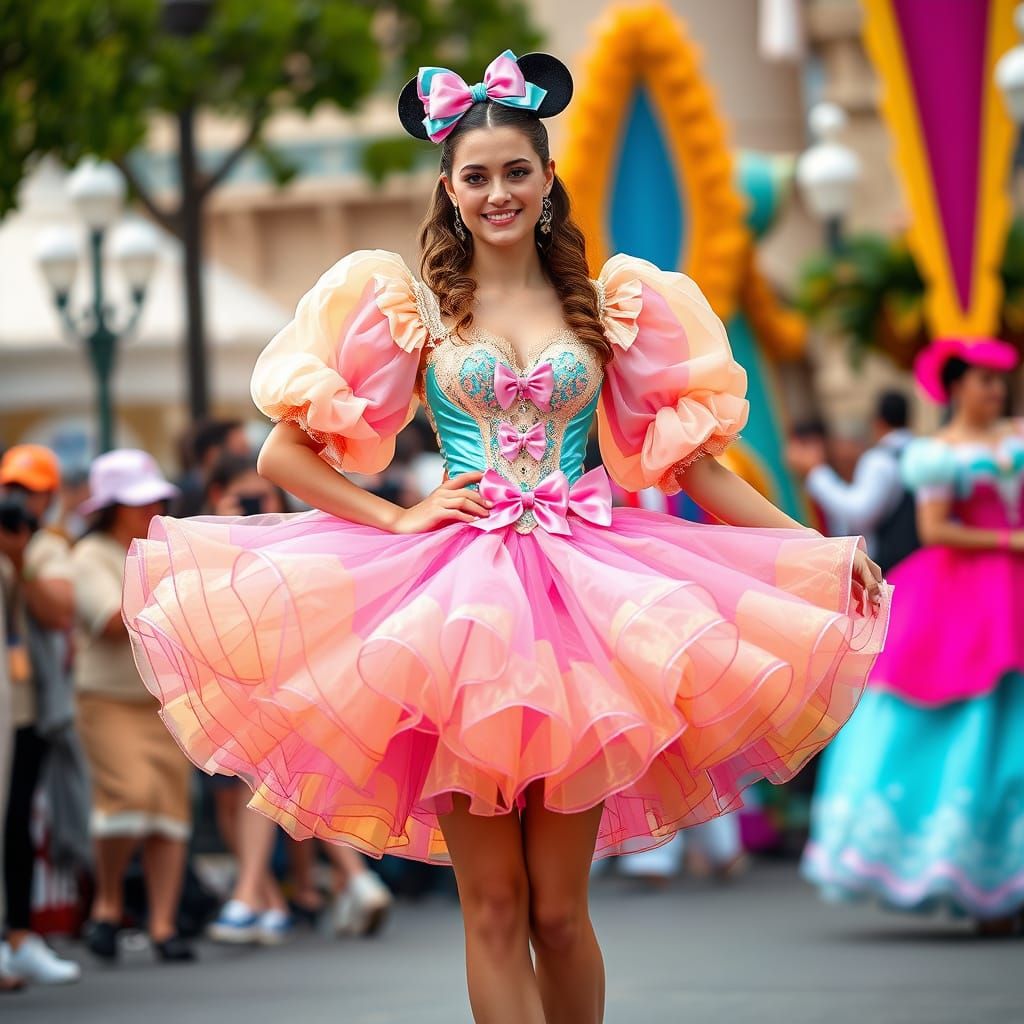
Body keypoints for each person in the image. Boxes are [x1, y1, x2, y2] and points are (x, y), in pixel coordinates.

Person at [123, 50, 887, 1023]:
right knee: (491, 905)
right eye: (475, 176)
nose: (497, 192)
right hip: (453, 615)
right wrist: (396, 514)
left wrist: (818, 555)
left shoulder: (611, 306)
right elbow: (284, 454)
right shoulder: (413, 307)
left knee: (560, 912)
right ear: (448, 188)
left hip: (587, 609)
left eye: (515, 171)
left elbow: (695, 465)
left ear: (547, 177)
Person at [803, 338, 1024, 934]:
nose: (994, 391)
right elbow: (934, 527)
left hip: (1011, 592)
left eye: (998, 381)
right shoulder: (935, 455)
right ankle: (978, 880)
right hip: (964, 594)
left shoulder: (1017, 438)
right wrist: (1011, 543)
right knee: (965, 718)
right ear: (956, 388)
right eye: (982, 381)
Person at [73, 449, 196, 963]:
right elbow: (107, 618)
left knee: (169, 812)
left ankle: (163, 925)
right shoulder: (91, 555)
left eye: (154, 498)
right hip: (109, 699)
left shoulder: (162, 549)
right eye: (136, 500)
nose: (150, 507)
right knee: (129, 796)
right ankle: (106, 904)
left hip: (165, 696)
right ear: (111, 507)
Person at [0, 445, 81, 986]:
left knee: (14, 824)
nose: (18, 500)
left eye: (29, 491)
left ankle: (21, 936)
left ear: (50, 497)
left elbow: (58, 610)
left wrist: (18, 558)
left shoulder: (42, 547)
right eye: (12, 488)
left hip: (23, 707)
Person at [788, 391, 917, 569]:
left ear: (878, 423)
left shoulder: (878, 460)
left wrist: (815, 471)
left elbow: (859, 513)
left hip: (896, 563)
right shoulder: (918, 449)